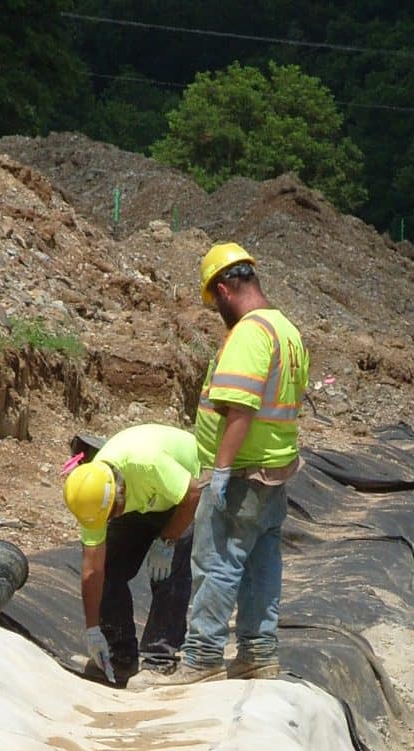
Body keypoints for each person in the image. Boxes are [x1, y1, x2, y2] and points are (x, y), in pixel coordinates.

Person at [148, 242, 308, 688]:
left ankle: (201, 657)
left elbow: (239, 408)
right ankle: (258, 653)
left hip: (241, 474)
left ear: (223, 289)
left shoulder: (250, 334)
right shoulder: (286, 331)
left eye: (213, 301)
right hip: (274, 473)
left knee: (217, 562)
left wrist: (219, 472)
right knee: (261, 564)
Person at [61, 424, 202, 685]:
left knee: (169, 572)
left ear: (120, 490)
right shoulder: (91, 495)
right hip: (147, 499)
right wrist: (93, 631)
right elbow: (93, 569)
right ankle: (118, 656)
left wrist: (167, 541)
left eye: (115, 510)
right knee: (111, 567)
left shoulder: (146, 464)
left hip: (186, 494)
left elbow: (193, 494)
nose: (112, 518)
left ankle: (159, 660)